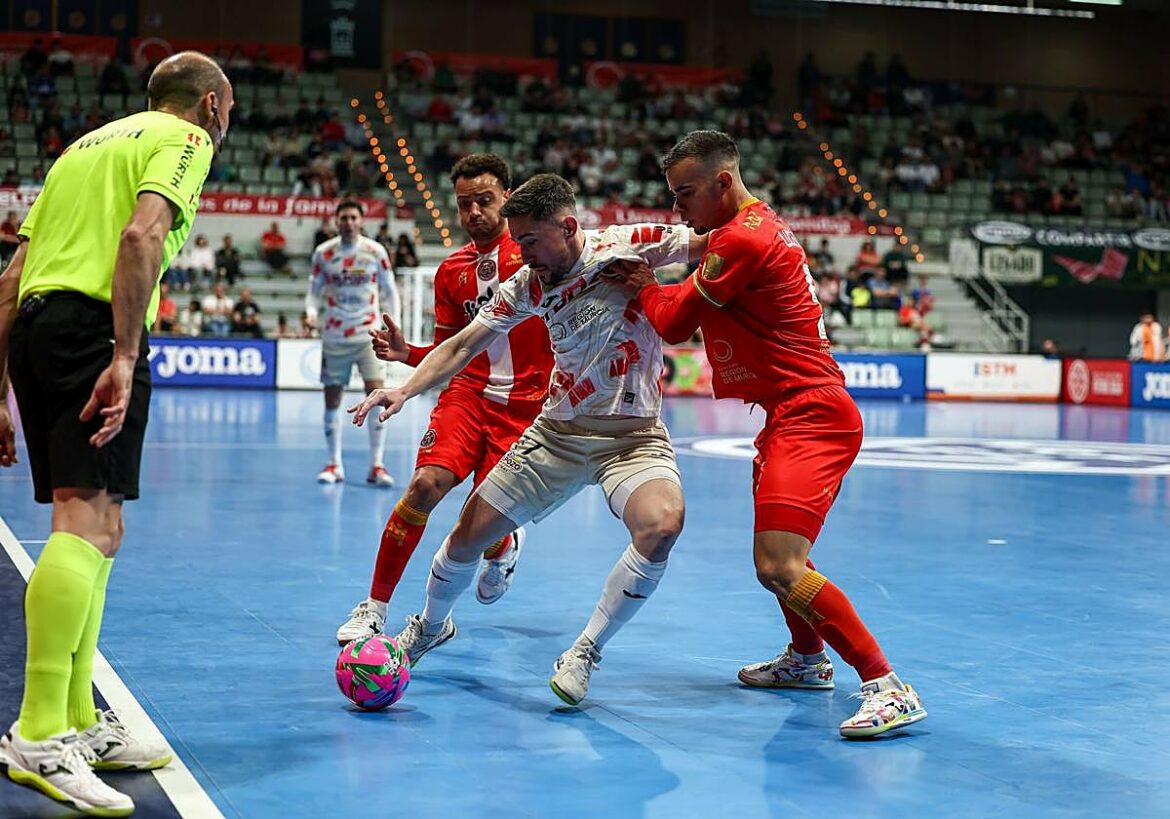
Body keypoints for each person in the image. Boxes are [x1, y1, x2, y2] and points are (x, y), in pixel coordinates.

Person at [349, 173, 706, 705]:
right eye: (517, 241)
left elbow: (709, 241)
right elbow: (464, 344)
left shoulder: (628, 246)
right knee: (466, 539)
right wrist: (404, 389)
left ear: (567, 226)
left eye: (531, 241)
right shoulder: (528, 285)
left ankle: (585, 649)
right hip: (556, 435)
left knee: (661, 527)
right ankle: (429, 625)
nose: (522, 253)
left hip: (632, 438)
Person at [614, 130, 926, 739]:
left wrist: (643, 285)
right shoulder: (752, 227)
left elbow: (675, 323)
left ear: (723, 183)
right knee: (783, 559)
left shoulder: (744, 238)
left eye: (686, 193)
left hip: (812, 415)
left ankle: (887, 685)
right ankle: (808, 661)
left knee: (778, 564)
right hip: (790, 412)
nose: (677, 207)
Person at [0, 50, 230, 815]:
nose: (223, 123)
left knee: (102, 524)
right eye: (224, 111)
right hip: (93, 329)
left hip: (37, 330)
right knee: (82, 517)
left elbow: (10, 281)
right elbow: (141, 239)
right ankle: (36, 733)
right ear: (208, 105)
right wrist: (125, 355)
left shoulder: (79, 150)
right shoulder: (186, 141)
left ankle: (73, 719)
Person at [335, 154, 554, 645]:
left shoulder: (537, 257)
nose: (474, 211)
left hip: (525, 408)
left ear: (508, 199)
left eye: (485, 200)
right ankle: (375, 607)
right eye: (464, 204)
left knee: (481, 517)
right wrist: (406, 354)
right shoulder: (450, 272)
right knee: (423, 487)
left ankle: (503, 545)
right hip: (467, 396)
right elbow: (450, 350)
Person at [306, 200, 400, 487]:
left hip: (369, 337)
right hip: (335, 335)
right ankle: (334, 464)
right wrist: (310, 313)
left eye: (353, 217)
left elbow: (389, 290)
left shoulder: (375, 252)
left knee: (377, 396)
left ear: (361, 221)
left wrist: (394, 325)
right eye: (343, 217)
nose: (348, 222)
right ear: (337, 221)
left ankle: (377, 465)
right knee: (332, 399)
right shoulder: (324, 253)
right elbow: (314, 291)